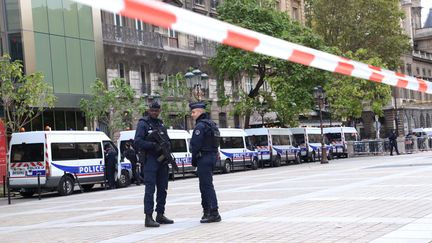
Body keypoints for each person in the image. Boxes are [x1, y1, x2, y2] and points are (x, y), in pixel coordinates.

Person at [134, 101, 174, 227]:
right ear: (149, 110)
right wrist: (153, 145)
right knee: (150, 189)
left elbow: (167, 140)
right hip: (150, 160)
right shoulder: (143, 124)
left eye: (157, 111)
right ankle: (148, 217)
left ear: (159, 111)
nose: (154, 113)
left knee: (163, 188)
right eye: (152, 110)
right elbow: (138, 142)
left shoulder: (161, 124)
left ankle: (160, 214)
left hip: (162, 161)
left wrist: (167, 148)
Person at [189, 101, 221, 223]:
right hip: (212, 156)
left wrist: (194, 161)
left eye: (193, 112)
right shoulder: (212, 124)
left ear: (199, 112)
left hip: (204, 158)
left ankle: (213, 212)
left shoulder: (200, 126)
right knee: (206, 185)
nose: (192, 115)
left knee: (206, 186)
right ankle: (207, 211)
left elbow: (195, 145)